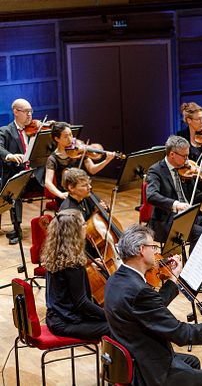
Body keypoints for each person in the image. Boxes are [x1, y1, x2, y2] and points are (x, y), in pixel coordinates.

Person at [104, 224, 202, 386]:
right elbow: (179, 333)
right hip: (146, 370)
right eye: (153, 247)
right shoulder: (140, 291)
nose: (157, 252)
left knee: (192, 362)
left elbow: (153, 309)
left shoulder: (115, 279)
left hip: (130, 356)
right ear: (142, 250)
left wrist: (173, 279)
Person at [146, 135, 202, 291]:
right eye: (184, 156)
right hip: (168, 221)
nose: (188, 160)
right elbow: (151, 195)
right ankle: (191, 278)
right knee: (201, 233)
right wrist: (176, 204)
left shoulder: (186, 171)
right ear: (172, 154)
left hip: (190, 216)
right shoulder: (156, 170)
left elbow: (197, 197)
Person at [41, 209, 110, 341]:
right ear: (74, 232)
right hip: (66, 322)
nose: (86, 226)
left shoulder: (58, 254)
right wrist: (110, 315)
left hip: (55, 317)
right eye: (84, 224)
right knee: (121, 327)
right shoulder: (72, 264)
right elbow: (82, 303)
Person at [43, 121, 115, 203]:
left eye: (71, 134)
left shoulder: (78, 150)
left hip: (83, 191)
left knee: (101, 206)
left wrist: (107, 160)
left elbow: (92, 169)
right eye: (66, 137)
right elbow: (48, 182)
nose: (70, 139)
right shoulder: (53, 159)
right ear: (57, 139)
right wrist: (60, 194)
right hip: (67, 194)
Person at [0, 99, 35, 244]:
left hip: (35, 176)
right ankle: (17, 228)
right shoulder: (5, 131)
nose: (29, 115)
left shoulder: (34, 130)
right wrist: (10, 156)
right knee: (14, 188)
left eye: (31, 111)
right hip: (18, 175)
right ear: (16, 112)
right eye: (26, 111)